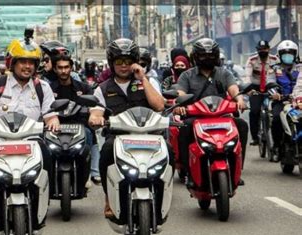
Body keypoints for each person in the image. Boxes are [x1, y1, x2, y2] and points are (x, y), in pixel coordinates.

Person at [88, 38, 165, 218]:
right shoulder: (102, 88)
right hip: (118, 137)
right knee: (106, 150)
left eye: (128, 62)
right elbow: (96, 113)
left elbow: (160, 106)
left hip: (148, 135)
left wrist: (143, 79)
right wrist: (95, 119)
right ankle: (109, 198)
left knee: (168, 151)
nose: (124, 66)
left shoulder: (147, 81)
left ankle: (161, 196)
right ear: (111, 63)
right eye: (119, 62)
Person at [0, 37, 60, 181]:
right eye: (23, 61)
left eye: (31, 63)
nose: (27, 66)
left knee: (48, 156)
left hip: (32, 140)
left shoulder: (43, 87)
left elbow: (50, 116)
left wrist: (54, 122)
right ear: (12, 63)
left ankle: (43, 199)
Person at [174, 38, 248, 187]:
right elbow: (179, 94)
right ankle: (188, 173)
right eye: (203, 55)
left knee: (242, 125)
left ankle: (237, 170)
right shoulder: (187, 75)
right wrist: (179, 104)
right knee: (184, 129)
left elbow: (233, 89)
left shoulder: (224, 73)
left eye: (211, 55)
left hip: (221, 116)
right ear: (195, 57)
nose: (207, 59)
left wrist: (239, 100)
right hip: (195, 117)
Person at [50, 54, 100, 185]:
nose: (63, 71)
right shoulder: (49, 89)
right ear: (55, 69)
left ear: (71, 68)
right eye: (60, 68)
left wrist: (93, 114)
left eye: (66, 67)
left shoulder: (83, 88)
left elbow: (94, 106)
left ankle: (91, 172)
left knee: (90, 133)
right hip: (55, 127)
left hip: (80, 126)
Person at [270, 40, 301, 160]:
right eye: (284, 54)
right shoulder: (274, 69)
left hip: (299, 101)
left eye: (291, 53)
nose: (288, 56)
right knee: (276, 119)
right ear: (279, 55)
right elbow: (270, 83)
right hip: (282, 101)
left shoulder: (300, 68)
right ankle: (277, 147)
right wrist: (275, 94)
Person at [245, 40, 278, 145]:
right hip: (255, 87)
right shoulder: (251, 60)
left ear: (269, 49)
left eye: (265, 49)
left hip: (270, 87)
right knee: (254, 111)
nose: (263, 51)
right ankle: (255, 137)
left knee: (275, 112)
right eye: (260, 49)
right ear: (257, 50)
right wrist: (248, 89)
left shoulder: (275, 59)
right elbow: (247, 76)